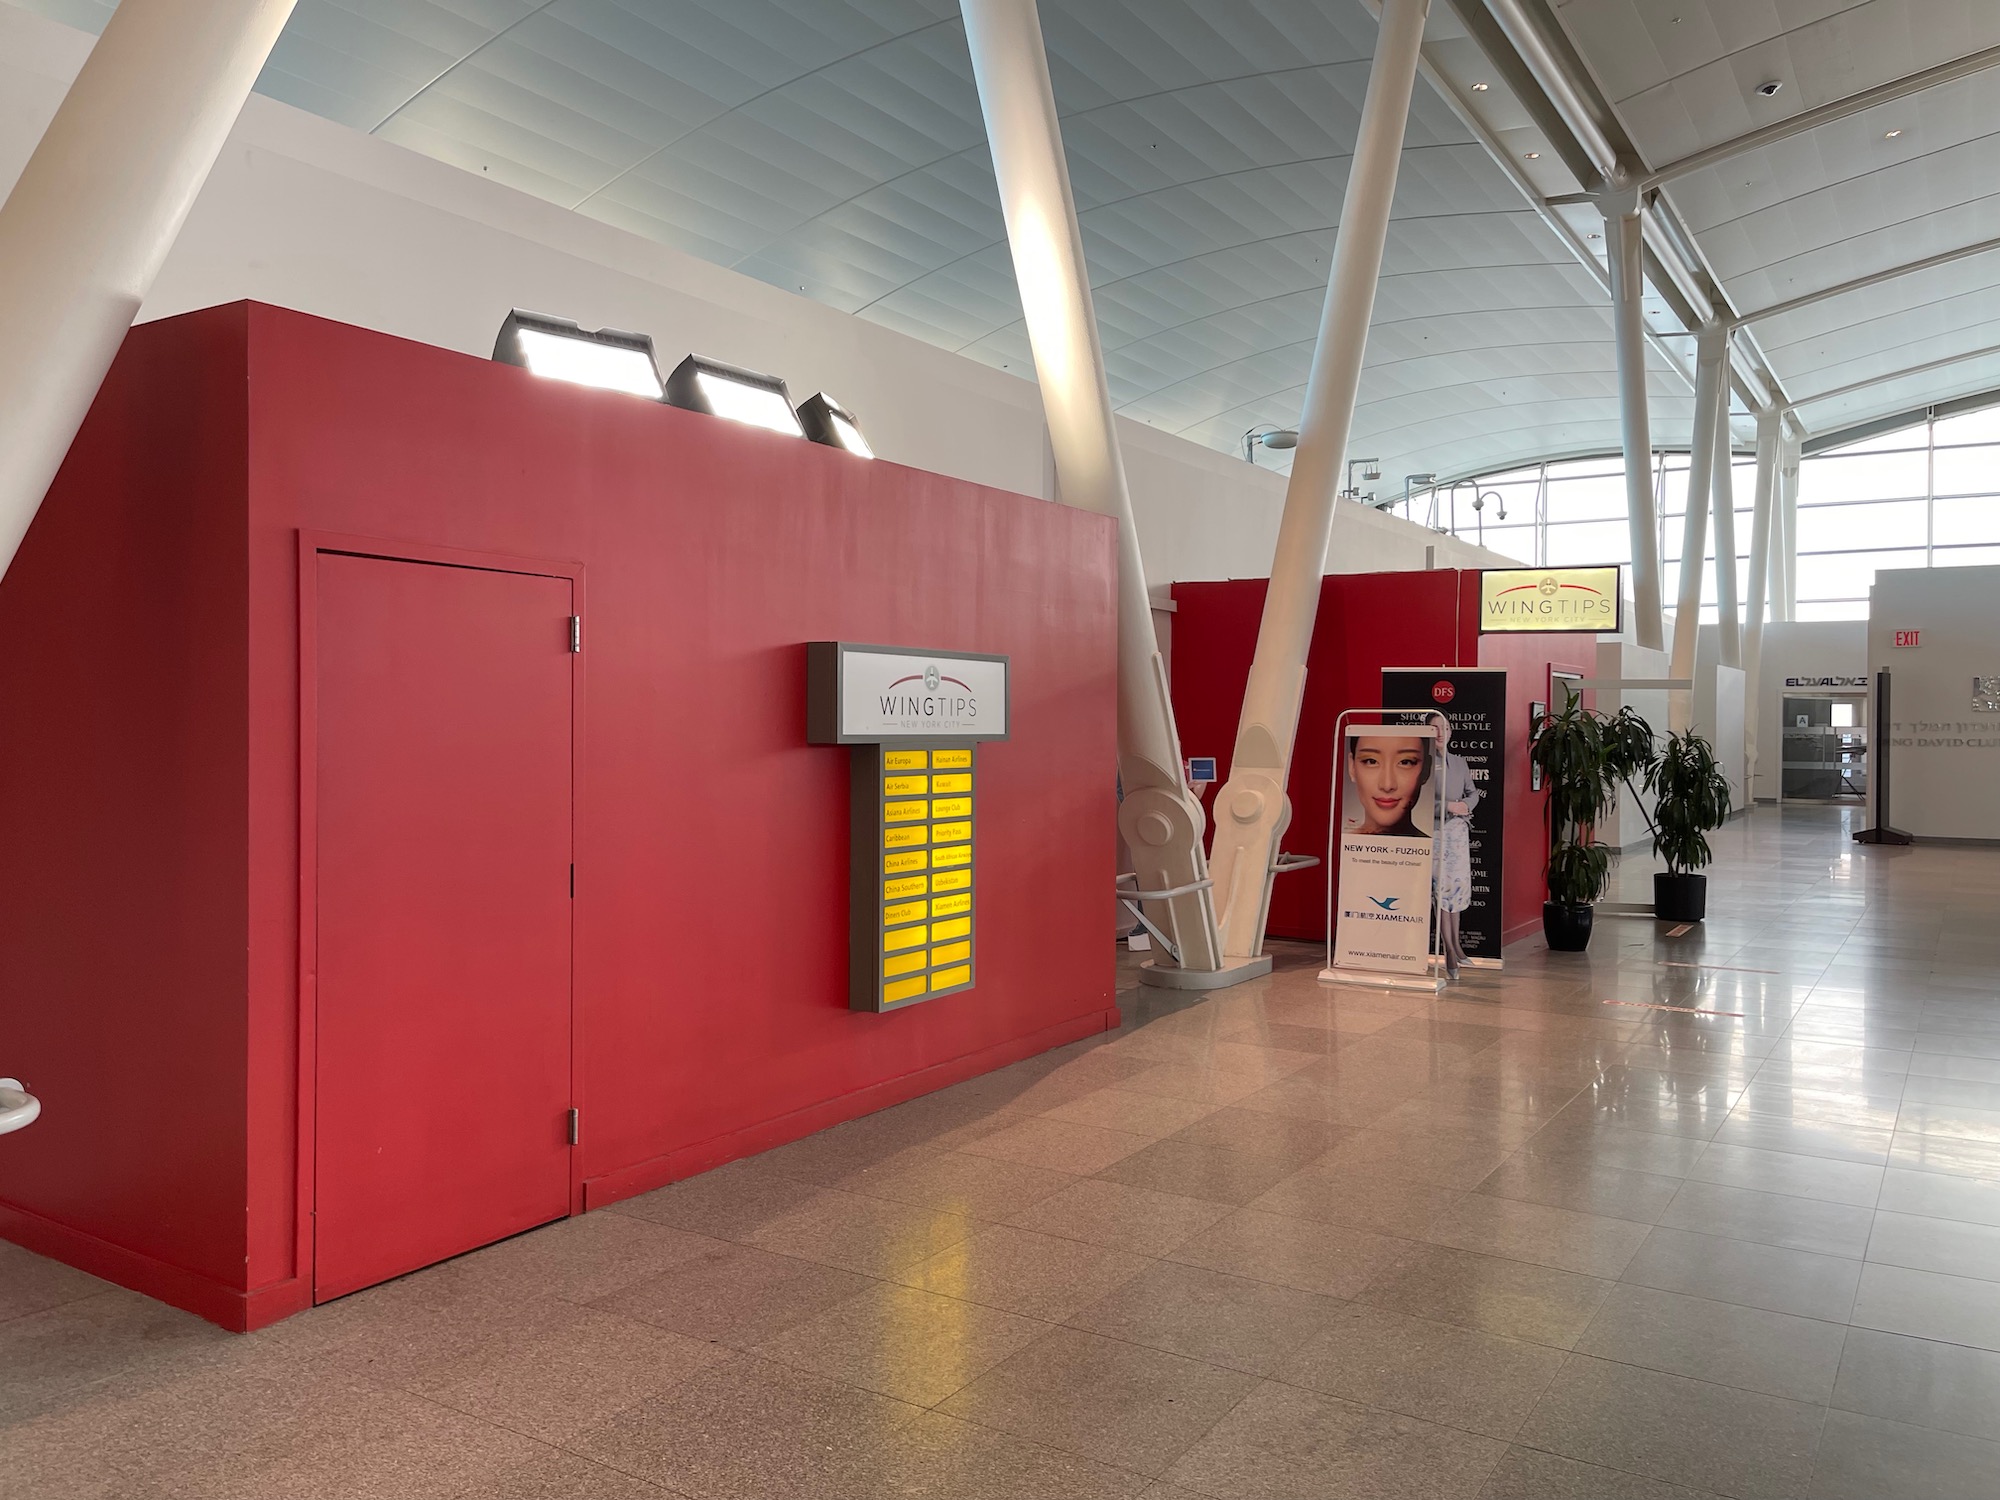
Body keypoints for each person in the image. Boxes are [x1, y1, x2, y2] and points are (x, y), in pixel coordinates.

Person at [1427, 711, 1480, 977]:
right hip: (1436, 834)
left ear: (1450, 732)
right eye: (1435, 728)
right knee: (1442, 894)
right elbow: (1416, 800)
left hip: (1458, 833)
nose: (1440, 732)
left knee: (1456, 893)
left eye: (1444, 727)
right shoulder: (1420, 763)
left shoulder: (1460, 762)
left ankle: (1457, 946)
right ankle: (1448, 952)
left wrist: (1465, 806)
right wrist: (1447, 806)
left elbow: (1473, 793)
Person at [1345, 734, 1431, 838]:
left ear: (1426, 770)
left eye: (1405, 762)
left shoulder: (1438, 850)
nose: (1387, 785)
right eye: (1371, 761)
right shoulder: (1336, 848)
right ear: (1352, 767)